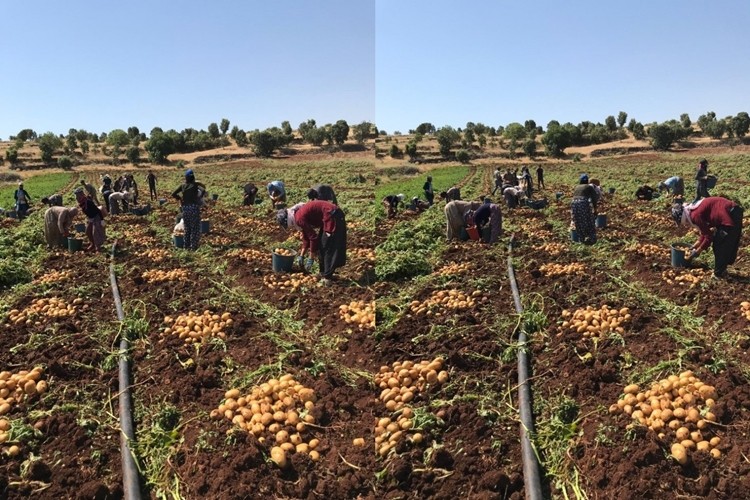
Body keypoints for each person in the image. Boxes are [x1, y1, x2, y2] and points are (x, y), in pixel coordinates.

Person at [277, 200, 346, 285]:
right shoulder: (297, 216)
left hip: (333, 216)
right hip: (328, 216)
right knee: (322, 245)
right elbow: (307, 237)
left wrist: (311, 257)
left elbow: (313, 238)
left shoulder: (299, 218)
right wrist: (301, 255)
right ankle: (323, 273)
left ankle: (328, 278)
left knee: (327, 246)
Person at [672, 197, 743, 278]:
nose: (686, 224)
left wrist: (697, 252)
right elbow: (705, 231)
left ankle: (719, 274)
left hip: (730, 216)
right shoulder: (692, 210)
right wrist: (694, 246)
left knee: (720, 244)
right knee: (723, 242)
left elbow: (709, 236)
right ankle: (722, 269)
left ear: (682, 218)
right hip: (733, 212)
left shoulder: (695, 215)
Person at [172, 169, 206, 251]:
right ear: (193, 177)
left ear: (186, 177)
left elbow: (173, 194)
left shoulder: (183, 185)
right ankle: (193, 247)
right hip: (194, 208)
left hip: (185, 209)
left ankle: (186, 247)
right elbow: (203, 189)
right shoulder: (195, 185)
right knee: (194, 228)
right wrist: (199, 198)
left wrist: (180, 198)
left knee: (187, 228)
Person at [74, 188, 105, 252]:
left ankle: (98, 247)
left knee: (95, 233)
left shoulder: (88, 202)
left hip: (97, 217)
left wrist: (102, 220)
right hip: (90, 218)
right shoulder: (82, 203)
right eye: (76, 197)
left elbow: (98, 210)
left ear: (82, 195)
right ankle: (92, 244)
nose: (77, 198)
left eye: (78, 196)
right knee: (88, 232)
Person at [571, 174, 598, 245]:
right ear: (587, 181)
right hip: (583, 202)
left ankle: (581, 239)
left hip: (574, 203)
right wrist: (595, 209)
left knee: (578, 220)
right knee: (589, 219)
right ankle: (592, 239)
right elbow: (594, 198)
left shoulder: (577, 187)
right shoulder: (589, 187)